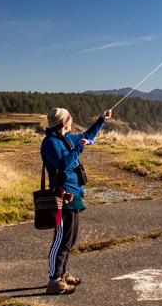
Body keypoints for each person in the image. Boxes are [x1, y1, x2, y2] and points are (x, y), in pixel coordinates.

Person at [41, 107, 111, 294]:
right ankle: (53, 280)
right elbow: (62, 164)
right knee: (61, 239)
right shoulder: (51, 142)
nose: (72, 121)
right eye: (70, 118)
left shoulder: (66, 139)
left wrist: (101, 120)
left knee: (70, 240)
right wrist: (80, 146)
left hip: (74, 195)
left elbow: (87, 134)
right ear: (64, 122)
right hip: (62, 197)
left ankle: (62, 274)